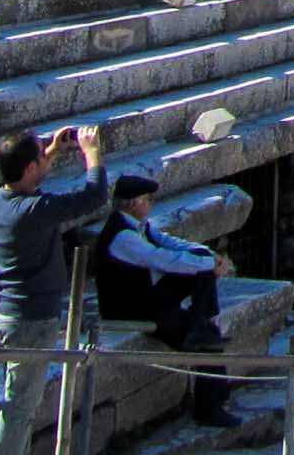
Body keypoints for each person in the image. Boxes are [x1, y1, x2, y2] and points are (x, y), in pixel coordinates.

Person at [0, 124, 109, 455]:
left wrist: (51, 151)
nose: (45, 160)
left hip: (11, 316)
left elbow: (27, 178)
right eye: (40, 158)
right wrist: (91, 152)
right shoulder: (33, 211)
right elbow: (95, 197)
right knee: (19, 409)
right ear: (28, 168)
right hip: (30, 322)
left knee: (20, 403)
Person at [96, 175, 240, 429]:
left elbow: (171, 243)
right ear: (133, 203)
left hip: (145, 296)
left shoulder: (139, 225)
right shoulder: (122, 236)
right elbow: (160, 258)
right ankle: (208, 409)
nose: (153, 204)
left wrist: (208, 255)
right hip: (130, 308)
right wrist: (209, 264)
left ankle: (200, 320)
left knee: (200, 275)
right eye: (149, 199)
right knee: (208, 339)